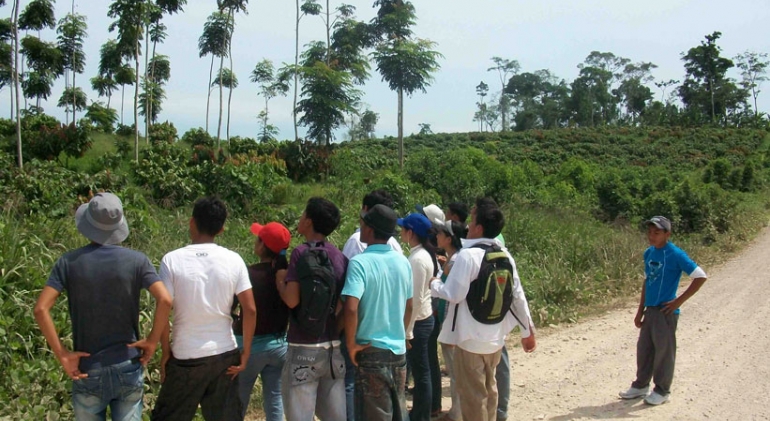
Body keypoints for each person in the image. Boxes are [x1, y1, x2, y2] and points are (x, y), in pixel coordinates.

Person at [34, 192, 173, 421]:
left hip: (88, 368)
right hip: (128, 364)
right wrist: (151, 341)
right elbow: (165, 300)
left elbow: (41, 309)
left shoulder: (68, 262)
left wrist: (63, 354)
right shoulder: (138, 260)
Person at [431, 197, 536, 421]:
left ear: (478, 228)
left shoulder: (468, 256)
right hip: (495, 339)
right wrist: (528, 331)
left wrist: (435, 284)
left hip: (469, 340)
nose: (467, 226)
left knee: (473, 397)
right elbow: (517, 296)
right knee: (490, 392)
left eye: (472, 221)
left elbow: (454, 294)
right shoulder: (505, 255)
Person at [152, 196, 257, 421]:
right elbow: (250, 309)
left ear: (192, 222)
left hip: (185, 355)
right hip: (224, 354)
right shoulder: (234, 260)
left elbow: (164, 305)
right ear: (221, 229)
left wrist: (165, 351)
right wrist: (245, 352)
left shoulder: (172, 260)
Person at [619, 216, 708, 406]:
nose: (652, 236)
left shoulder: (675, 254)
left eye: (657, 233)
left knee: (664, 353)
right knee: (644, 350)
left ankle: (662, 390)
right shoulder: (649, 253)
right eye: (650, 232)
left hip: (665, 312)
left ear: (667, 234)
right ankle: (640, 385)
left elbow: (700, 276)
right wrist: (640, 309)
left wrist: (678, 302)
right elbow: (647, 281)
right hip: (650, 311)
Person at [276, 197, 348, 421]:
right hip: (333, 349)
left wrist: (279, 279)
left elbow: (291, 300)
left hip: (302, 348)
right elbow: (343, 303)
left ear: (308, 221)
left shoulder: (300, 253)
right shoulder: (340, 257)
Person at [342, 204, 413, 421]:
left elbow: (351, 307)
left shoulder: (359, 263)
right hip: (398, 351)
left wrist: (351, 343)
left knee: (375, 414)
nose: (360, 227)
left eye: (363, 223)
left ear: (370, 229)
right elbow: (409, 306)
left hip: (371, 350)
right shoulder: (403, 261)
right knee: (399, 410)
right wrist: (402, 333)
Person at [231, 222, 292, 420]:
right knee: (274, 398)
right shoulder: (287, 275)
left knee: (238, 400)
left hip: (250, 349)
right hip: (279, 346)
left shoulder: (248, 274)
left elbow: (230, 307)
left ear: (262, 245)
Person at [397, 213, 438, 421]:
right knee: (422, 371)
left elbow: (416, 299)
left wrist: (407, 330)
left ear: (410, 233)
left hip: (419, 322)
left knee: (421, 374)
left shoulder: (417, 259)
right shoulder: (420, 255)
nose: (400, 231)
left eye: (403, 228)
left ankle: (421, 416)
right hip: (421, 319)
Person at [433, 219, 467, 421]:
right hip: (456, 324)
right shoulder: (456, 258)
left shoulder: (455, 262)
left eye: (440, 233)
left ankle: (457, 414)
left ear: (449, 238)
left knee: (456, 373)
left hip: (452, 325)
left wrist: (435, 282)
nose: (437, 236)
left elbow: (449, 294)